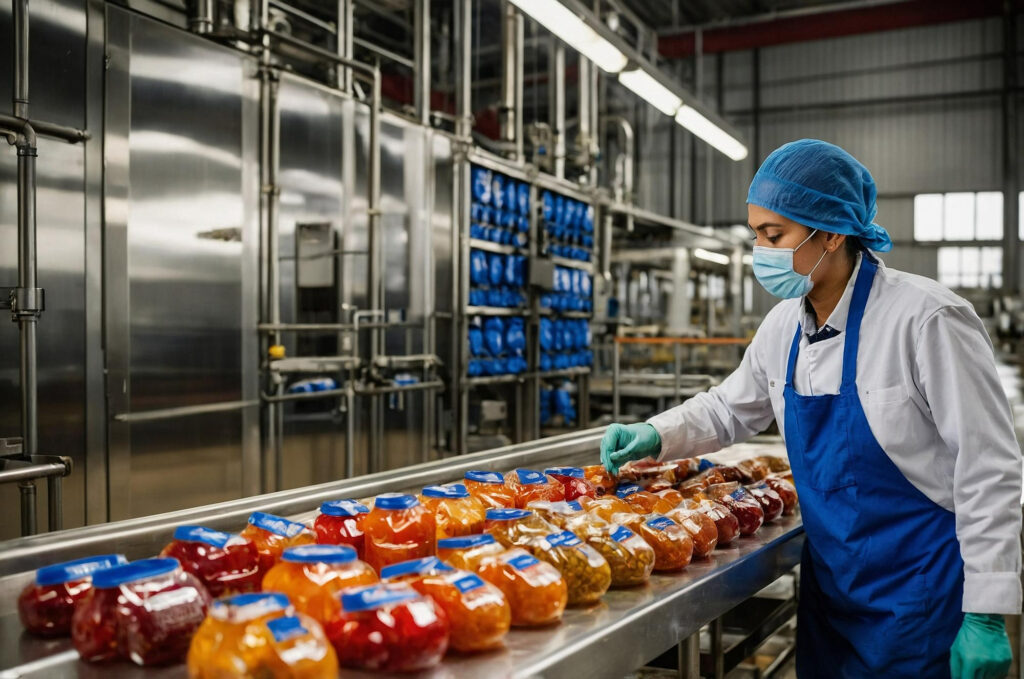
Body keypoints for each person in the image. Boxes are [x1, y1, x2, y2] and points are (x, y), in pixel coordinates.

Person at [600, 139, 1021, 679]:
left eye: (774, 235)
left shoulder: (927, 319)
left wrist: (987, 610)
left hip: (920, 599)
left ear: (831, 233)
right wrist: (655, 434)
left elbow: (988, 465)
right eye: (756, 235)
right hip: (833, 597)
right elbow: (730, 408)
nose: (761, 251)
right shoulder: (783, 326)